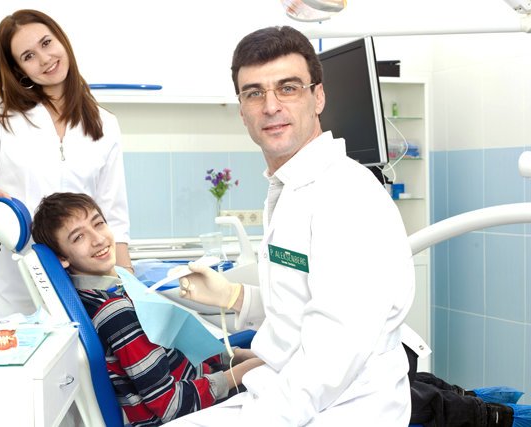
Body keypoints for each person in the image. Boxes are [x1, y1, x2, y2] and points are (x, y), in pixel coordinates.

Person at [167, 26, 416, 426]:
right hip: (287, 395)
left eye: (288, 88)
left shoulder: (346, 196)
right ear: (242, 110)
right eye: (254, 93)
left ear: (318, 97)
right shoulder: (291, 189)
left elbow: (331, 358)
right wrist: (235, 297)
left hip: (342, 411)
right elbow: (299, 305)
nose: (271, 106)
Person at [31, 192, 264, 426]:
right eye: (79, 237)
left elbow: (175, 343)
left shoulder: (115, 285)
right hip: (190, 409)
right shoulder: (115, 312)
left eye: (98, 223)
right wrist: (242, 372)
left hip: (200, 380)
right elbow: (171, 405)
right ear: (62, 257)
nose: (98, 239)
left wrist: (235, 356)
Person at [0, 9, 132, 318]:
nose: (45, 59)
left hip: (82, 292)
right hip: (12, 290)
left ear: (61, 40)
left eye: (47, 43)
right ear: (19, 69)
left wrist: (127, 285)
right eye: (28, 56)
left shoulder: (104, 123)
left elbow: (114, 216)